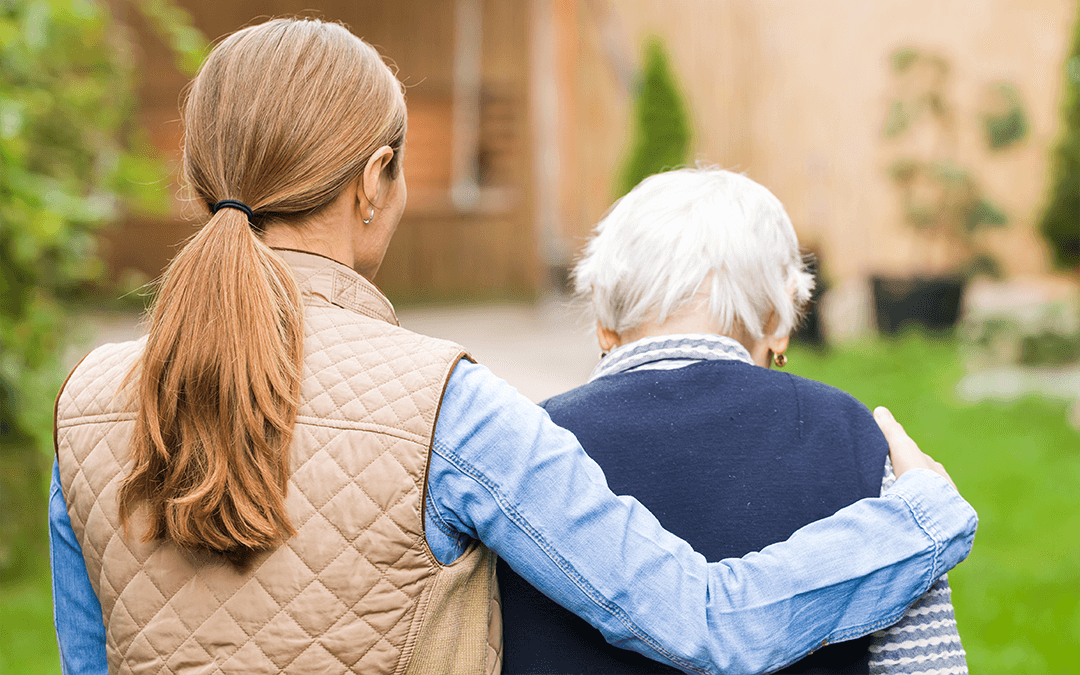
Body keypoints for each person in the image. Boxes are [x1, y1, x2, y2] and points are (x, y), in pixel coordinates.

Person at [50, 18, 976, 675]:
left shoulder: (85, 402)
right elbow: (704, 621)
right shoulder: (443, 405)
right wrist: (919, 521)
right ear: (376, 181)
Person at [499, 168, 969, 675]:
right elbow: (922, 661)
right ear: (779, 322)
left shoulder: (527, 446)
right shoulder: (855, 436)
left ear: (604, 324)